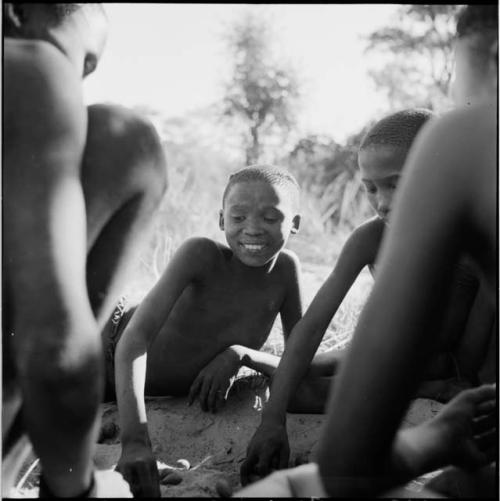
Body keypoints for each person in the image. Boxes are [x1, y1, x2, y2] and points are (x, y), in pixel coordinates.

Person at [236, 3, 498, 497]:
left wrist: (462, 400)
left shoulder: (468, 169)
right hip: (422, 368)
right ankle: (258, 364)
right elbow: (313, 324)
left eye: (396, 185)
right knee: (301, 387)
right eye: (372, 190)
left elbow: (348, 462)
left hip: (460, 371)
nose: (382, 203)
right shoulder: (373, 236)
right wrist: (273, 419)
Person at [3, 3, 167, 497]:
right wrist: (80, 488)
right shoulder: (27, 67)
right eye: (85, 59)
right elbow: (55, 351)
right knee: (126, 141)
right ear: (14, 14)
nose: (84, 76)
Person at [111, 164, 303, 497]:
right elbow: (135, 340)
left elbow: (300, 362)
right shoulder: (201, 254)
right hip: (104, 342)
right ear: (221, 221)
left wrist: (241, 356)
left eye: (270, 218)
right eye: (239, 217)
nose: (253, 229)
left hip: (118, 386)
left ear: (295, 224)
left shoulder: (286, 272)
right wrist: (135, 443)